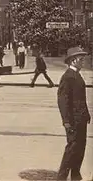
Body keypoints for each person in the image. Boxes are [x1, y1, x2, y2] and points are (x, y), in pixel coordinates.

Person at [56, 47, 91, 181]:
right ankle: (62, 176)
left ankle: (76, 174)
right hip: (73, 119)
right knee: (72, 148)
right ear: (73, 60)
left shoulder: (77, 74)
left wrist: (86, 113)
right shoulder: (68, 76)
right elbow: (62, 100)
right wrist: (66, 121)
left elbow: (80, 98)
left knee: (81, 146)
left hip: (81, 118)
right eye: (81, 60)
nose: (83, 62)